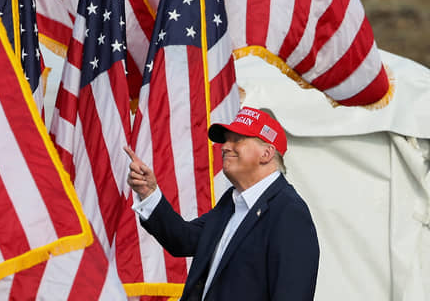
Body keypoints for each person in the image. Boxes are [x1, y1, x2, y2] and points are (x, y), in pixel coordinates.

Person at [125, 106, 319, 301]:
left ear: (266, 154)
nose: (225, 146)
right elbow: (183, 240)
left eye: (237, 140)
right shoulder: (232, 201)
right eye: (225, 140)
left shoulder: (289, 212)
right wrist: (148, 192)